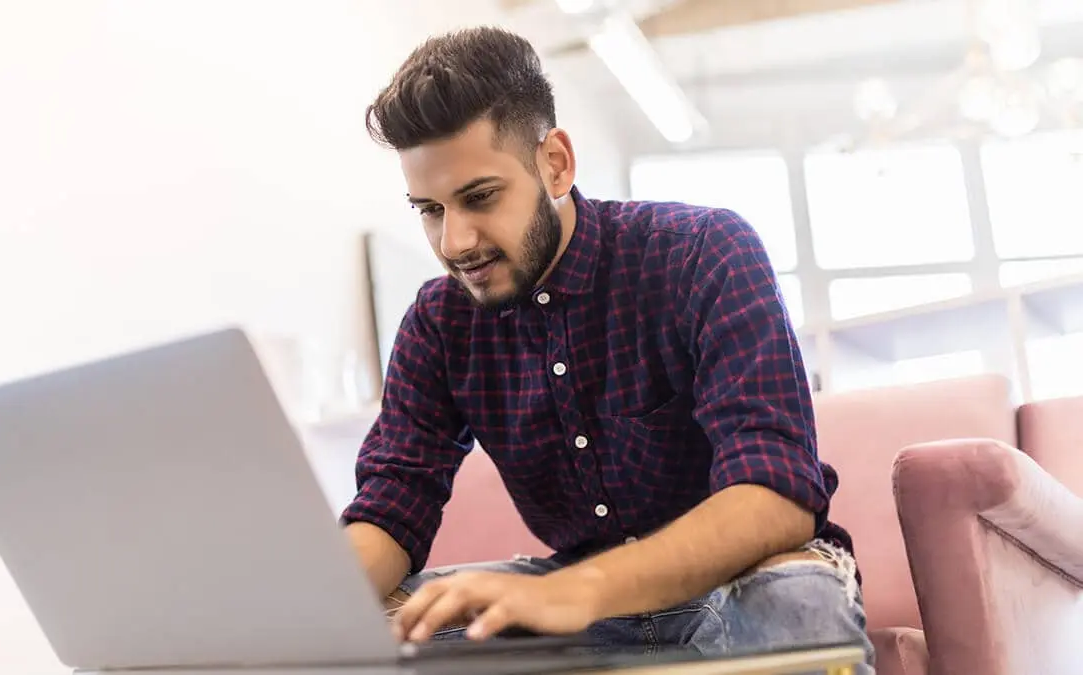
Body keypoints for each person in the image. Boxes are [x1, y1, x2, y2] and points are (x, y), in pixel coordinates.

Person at [338, 25, 874, 671]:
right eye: (429, 209)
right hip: (582, 605)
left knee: (798, 601)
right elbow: (393, 502)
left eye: (480, 197)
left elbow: (775, 494)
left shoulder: (703, 251)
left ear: (555, 162)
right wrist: (297, 619)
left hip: (738, 585)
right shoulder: (436, 323)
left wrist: (576, 591)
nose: (454, 241)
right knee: (373, 630)